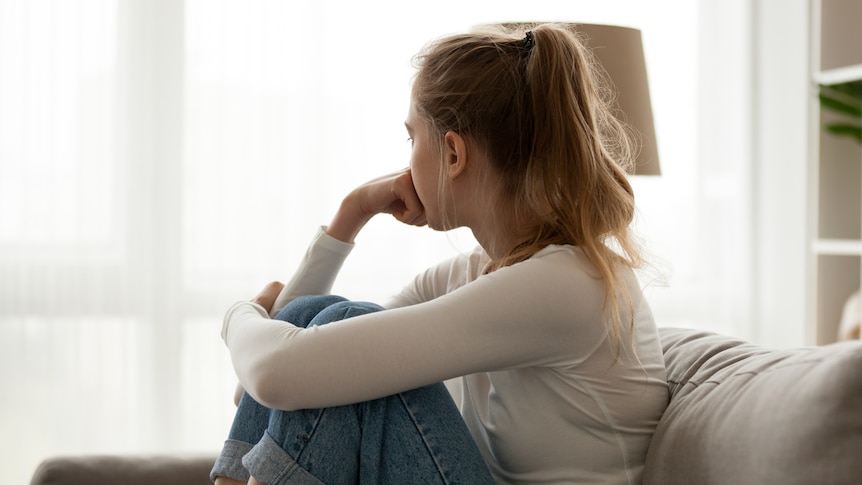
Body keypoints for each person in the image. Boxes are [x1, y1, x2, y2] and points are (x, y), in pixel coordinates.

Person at [211, 23, 668, 485]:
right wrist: (352, 213)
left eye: (412, 138)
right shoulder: (479, 273)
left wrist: (239, 316)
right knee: (323, 316)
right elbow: (290, 385)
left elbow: (274, 373)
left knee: (337, 323)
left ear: (453, 154)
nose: (407, 160)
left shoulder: (566, 285)